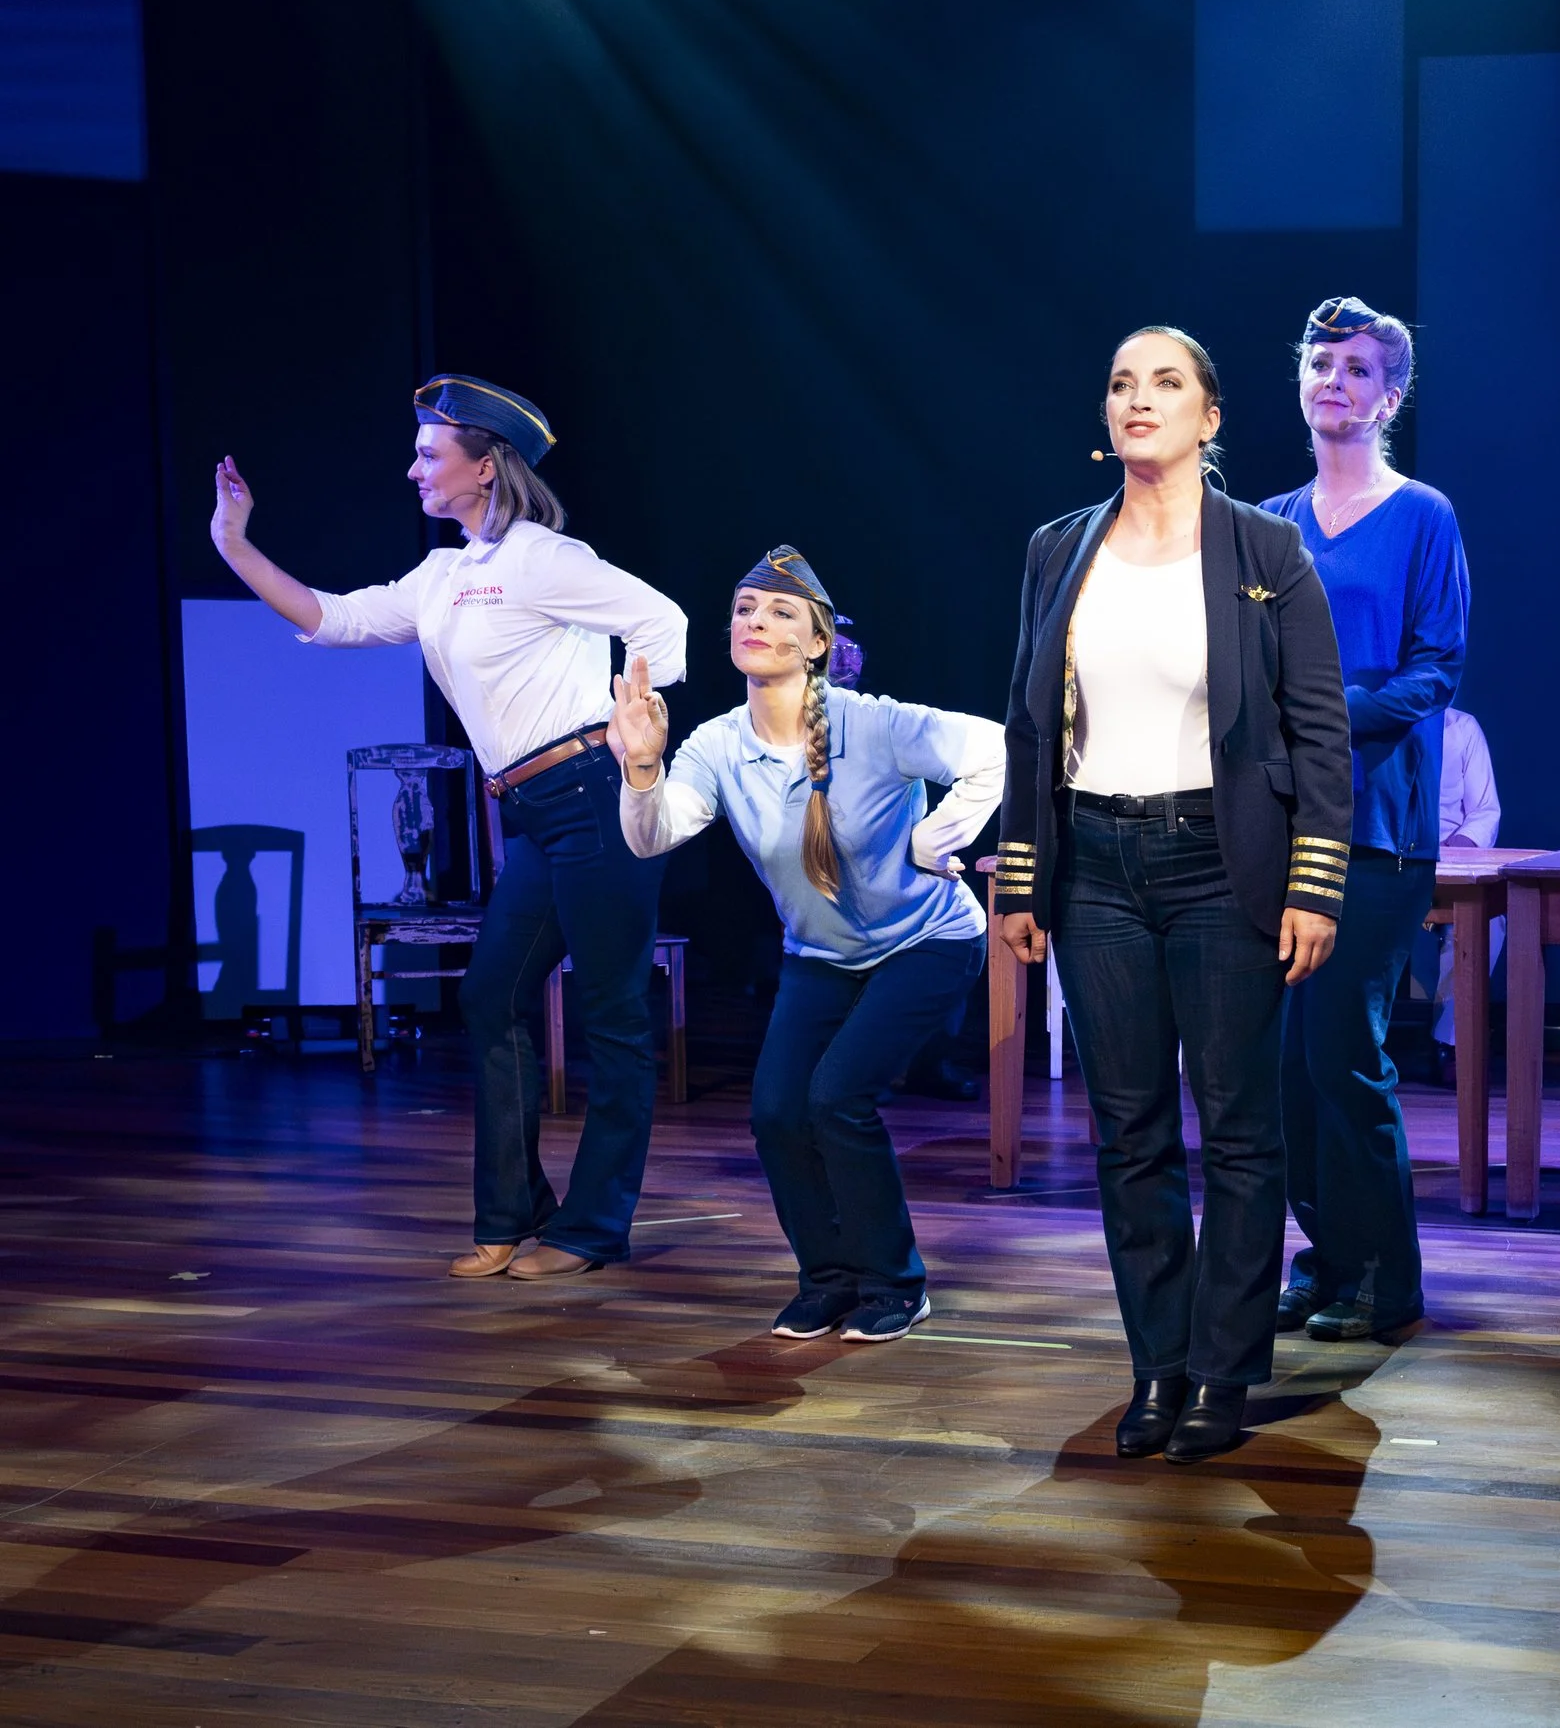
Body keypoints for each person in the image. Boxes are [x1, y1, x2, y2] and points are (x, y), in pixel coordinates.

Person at [209, 376, 687, 1281]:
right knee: (492, 997)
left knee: (612, 1016)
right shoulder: (443, 573)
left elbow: (662, 619)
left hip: (594, 791)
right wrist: (234, 545)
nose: (411, 469)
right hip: (534, 812)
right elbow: (337, 618)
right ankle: (511, 1213)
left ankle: (594, 1229)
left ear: (487, 466)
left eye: (429, 454)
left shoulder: (543, 557)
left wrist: (637, 727)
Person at [994, 326, 1353, 1462]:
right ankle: (1158, 1364)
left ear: (1209, 418)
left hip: (1218, 860)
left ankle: (1224, 1368)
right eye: (1118, 383)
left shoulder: (1264, 547)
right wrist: (1020, 871)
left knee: (1240, 1131)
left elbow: (1319, 726)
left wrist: (1316, 882)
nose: (1136, 399)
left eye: (1164, 383)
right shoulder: (1060, 548)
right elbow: (1023, 724)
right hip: (1095, 861)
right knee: (1128, 1130)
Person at [608, 545, 1003, 1341]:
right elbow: (654, 838)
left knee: (837, 1098)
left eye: (780, 611)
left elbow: (1000, 748)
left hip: (925, 939)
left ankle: (895, 1280)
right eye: (745, 608)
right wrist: (642, 768)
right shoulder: (718, 745)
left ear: (818, 643)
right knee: (778, 1112)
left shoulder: (874, 723)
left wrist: (935, 839)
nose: (756, 620)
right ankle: (828, 1277)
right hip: (821, 956)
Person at [1260, 295, 1470, 1344]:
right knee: (1289, 1067)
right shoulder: (1266, 524)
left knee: (1346, 1051)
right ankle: (1327, 1252)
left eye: (1353, 369)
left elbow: (1435, 671)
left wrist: (1315, 715)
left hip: (1377, 826)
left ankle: (1387, 1276)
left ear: (1388, 396)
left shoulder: (1422, 514)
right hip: (1274, 824)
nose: (1331, 381)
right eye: (1318, 364)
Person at [1427, 705, 1503, 1067]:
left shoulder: (1462, 728)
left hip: (1448, 861)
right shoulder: (1379, 717)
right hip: (1387, 859)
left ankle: (1451, 1044)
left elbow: (1485, 811)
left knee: (1487, 921)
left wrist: (1454, 854)